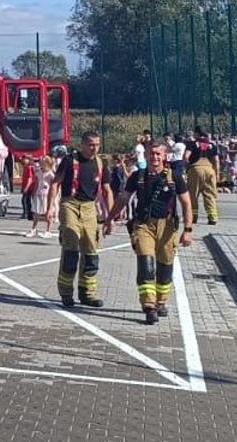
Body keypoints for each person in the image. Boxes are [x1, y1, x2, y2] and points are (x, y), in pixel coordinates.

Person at [111, 143, 193, 325]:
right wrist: (109, 218)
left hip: (167, 226)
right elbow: (124, 198)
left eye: (158, 154)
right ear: (146, 155)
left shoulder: (175, 177)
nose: (154, 157)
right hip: (143, 225)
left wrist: (187, 230)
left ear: (164, 156)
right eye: (151, 154)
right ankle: (149, 306)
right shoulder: (137, 176)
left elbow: (186, 203)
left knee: (165, 265)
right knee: (146, 263)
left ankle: (161, 300)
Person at [51, 131, 111, 309]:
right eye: (91, 144)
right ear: (83, 144)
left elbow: (107, 190)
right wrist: (50, 208)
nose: (94, 148)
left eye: (97, 145)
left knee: (91, 251)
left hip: (89, 207)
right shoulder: (70, 161)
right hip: (70, 203)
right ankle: (66, 293)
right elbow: (55, 183)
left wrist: (110, 217)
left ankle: (87, 293)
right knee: (71, 247)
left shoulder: (101, 163)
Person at [186, 129, 221, 225]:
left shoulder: (192, 144)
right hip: (209, 170)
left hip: (195, 169)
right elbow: (217, 161)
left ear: (197, 135)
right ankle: (212, 217)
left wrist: (186, 168)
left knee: (193, 195)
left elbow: (186, 156)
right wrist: (217, 173)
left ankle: (193, 217)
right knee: (210, 194)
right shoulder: (212, 145)